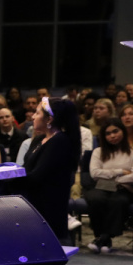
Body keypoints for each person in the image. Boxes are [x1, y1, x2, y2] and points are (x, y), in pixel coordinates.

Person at [22, 98, 83, 248]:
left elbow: (37, 177)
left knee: (47, 251)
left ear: (49, 119)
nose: (33, 117)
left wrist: (8, 179)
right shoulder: (39, 139)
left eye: (37, 113)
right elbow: (26, 168)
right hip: (33, 202)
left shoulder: (60, 141)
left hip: (48, 206)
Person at [86, 118, 133, 254]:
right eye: (108, 134)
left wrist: (113, 178)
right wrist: (120, 171)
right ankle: (105, 239)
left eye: (115, 131)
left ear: (123, 131)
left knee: (118, 201)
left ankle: (102, 238)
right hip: (101, 186)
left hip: (124, 189)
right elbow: (95, 173)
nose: (112, 136)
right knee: (96, 199)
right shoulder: (98, 151)